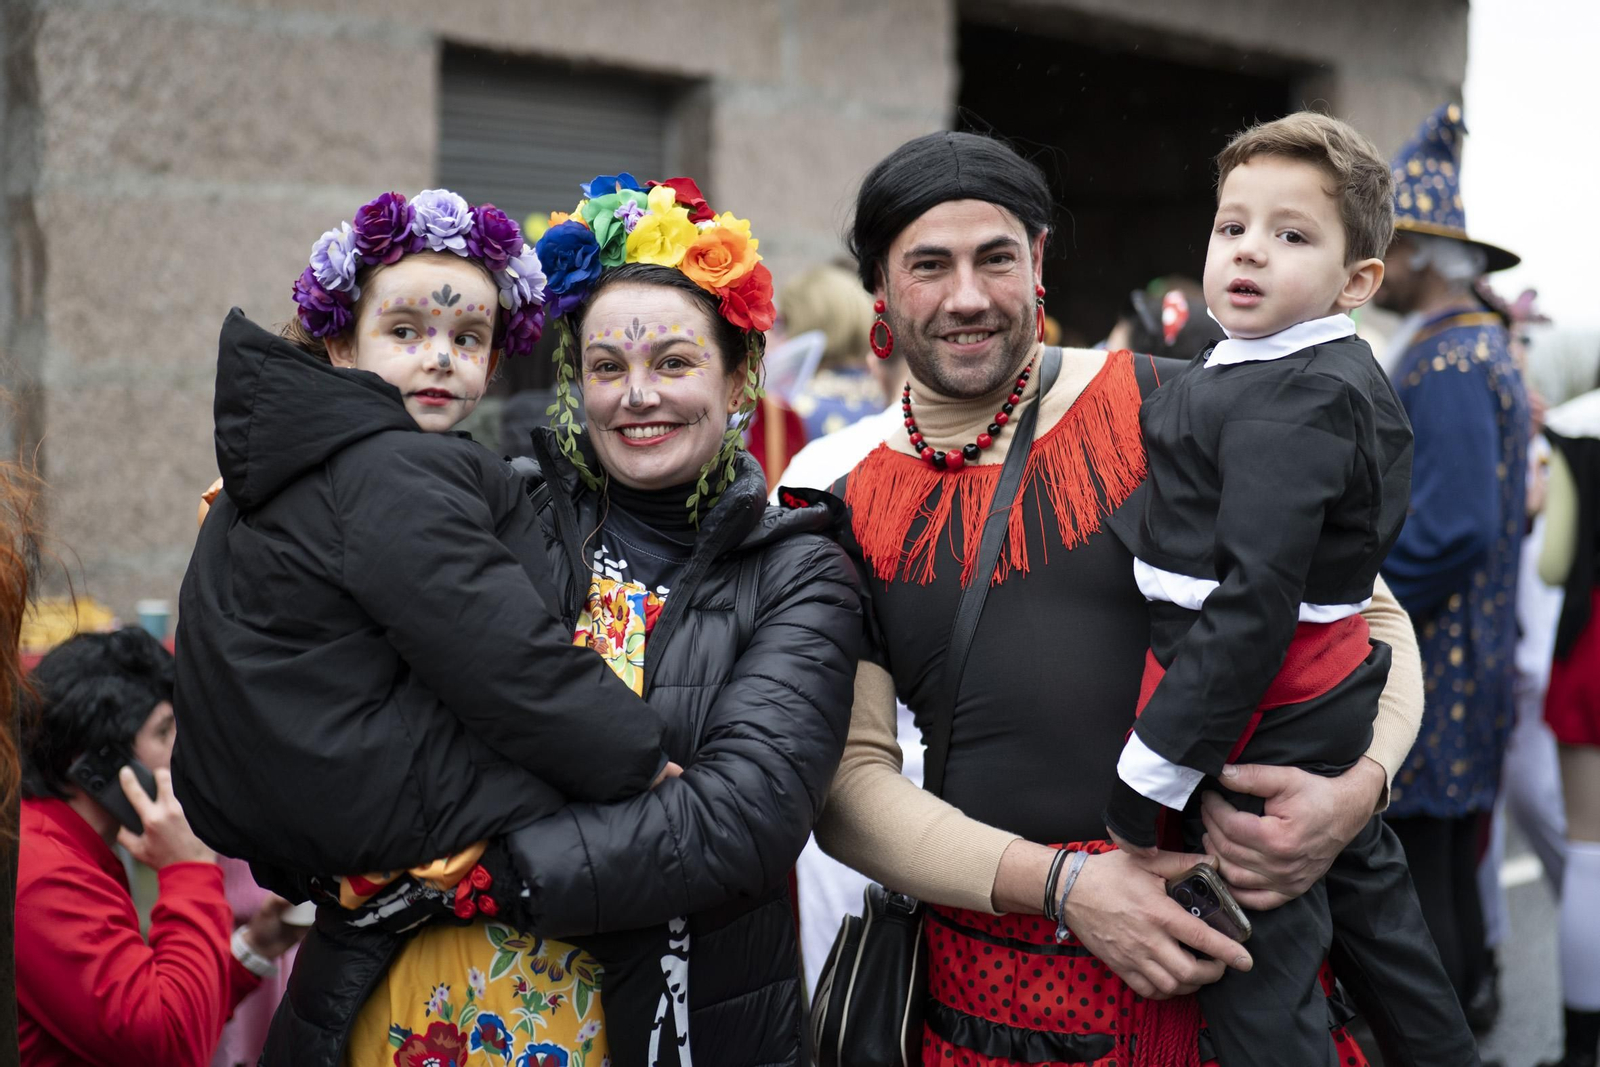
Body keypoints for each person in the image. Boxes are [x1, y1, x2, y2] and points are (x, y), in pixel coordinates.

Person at [190, 174, 861, 1067]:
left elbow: (740, 819)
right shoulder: (492, 506)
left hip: (644, 1021)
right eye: (607, 367)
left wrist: (476, 871)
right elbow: (320, 716)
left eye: (674, 363)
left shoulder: (795, 569)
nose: (639, 396)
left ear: (739, 379)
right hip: (396, 1005)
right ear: (573, 382)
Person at [814, 130, 1428, 1066]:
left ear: (1040, 262)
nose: (969, 296)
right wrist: (1064, 888)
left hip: (1230, 989)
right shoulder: (842, 495)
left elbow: (1368, 615)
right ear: (882, 292)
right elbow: (850, 787)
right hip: (990, 1010)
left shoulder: (1177, 406)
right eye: (929, 265)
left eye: (996, 258)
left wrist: (1355, 791)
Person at [1104, 110, 1474, 1066]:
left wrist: (1150, 774)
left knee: (1264, 975)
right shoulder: (1273, 367)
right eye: (1233, 227)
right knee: (1382, 928)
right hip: (1317, 703)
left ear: (1356, 282)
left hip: (1263, 715)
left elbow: (1254, 601)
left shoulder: (1296, 400)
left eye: (1291, 234)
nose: (1250, 253)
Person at [1375, 103, 1532, 1014]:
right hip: (1462, 652)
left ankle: (1440, 1030)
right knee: (1438, 859)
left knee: (1423, 862)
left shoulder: (1450, 361)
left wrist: (1367, 610)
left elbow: (1456, 526)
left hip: (1439, 657)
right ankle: (1460, 1016)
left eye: (1389, 247)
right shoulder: (1467, 347)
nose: (1376, 267)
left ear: (1424, 257)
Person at [17, 629, 303, 1067]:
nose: (182, 750)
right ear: (100, 764)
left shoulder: (62, 849)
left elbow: (145, 1003)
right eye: (165, 731)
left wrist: (254, 948)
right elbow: (169, 1045)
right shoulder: (44, 876)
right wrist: (188, 868)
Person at [1537, 379, 1600, 1067]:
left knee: (1589, 852)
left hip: (1594, 647)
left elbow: (1555, 563)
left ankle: (1582, 1047)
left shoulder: (1578, 424)